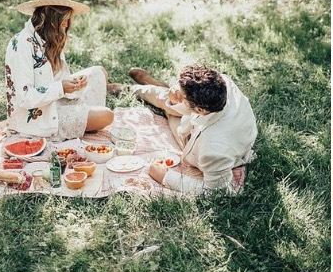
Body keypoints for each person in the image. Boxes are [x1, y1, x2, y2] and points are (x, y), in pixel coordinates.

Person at [109, 64, 257, 194]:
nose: (176, 91)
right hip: (211, 121)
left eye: (181, 94)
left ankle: (148, 86)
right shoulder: (221, 82)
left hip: (208, 137)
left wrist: (166, 177)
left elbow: (218, 191)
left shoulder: (213, 150)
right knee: (169, 100)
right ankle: (135, 88)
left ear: (199, 109)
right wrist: (177, 95)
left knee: (170, 112)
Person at [5, 0, 114, 139]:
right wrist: (61, 87)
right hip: (38, 118)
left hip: (56, 100)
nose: (66, 25)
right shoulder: (22, 45)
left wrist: (73, 84)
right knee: (106, 116)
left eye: (68, 20)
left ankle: (85, 117)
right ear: (45, 16)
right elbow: (24, 98)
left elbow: (58, 79)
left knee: (98, 72)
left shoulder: (49, 36)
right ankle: (85, 119)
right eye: (62, 21)